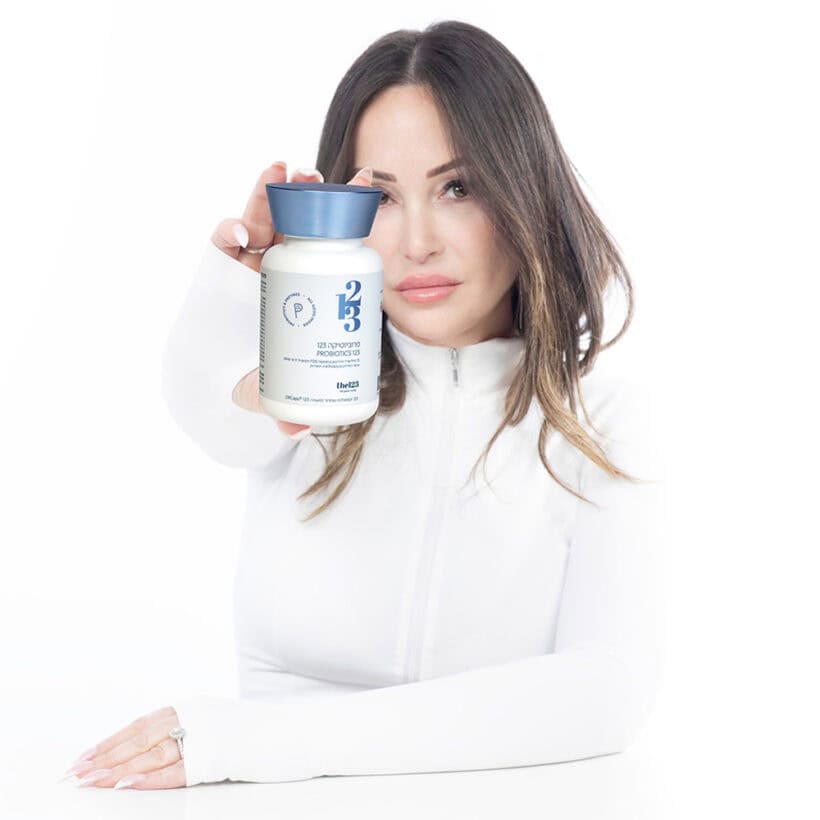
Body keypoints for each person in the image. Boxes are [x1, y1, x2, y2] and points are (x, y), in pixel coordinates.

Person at [64, 20, 666, 790]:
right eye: (378, 196)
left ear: (526, 192)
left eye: (458, 188)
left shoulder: (603, 424)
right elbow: (207, 404)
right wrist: (240, 290)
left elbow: (605, 693)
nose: (418, 242)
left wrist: (257, 741)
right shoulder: (317, 390)